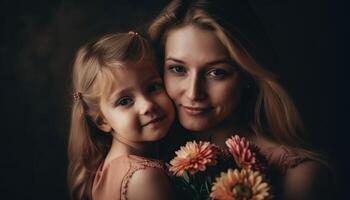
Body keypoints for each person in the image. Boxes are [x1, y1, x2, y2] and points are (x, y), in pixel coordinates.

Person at [149, 0, 334, 199]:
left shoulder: (298, 176)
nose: (194, 93)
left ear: (247, 74)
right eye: (178, 69)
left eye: (217, 73)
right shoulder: (144, 155)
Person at [67, 32, 175, 200]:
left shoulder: (108, 166)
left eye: (153, 87)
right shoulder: (145, 177)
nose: (147, 105)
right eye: (125, 101)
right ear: (102, 121)